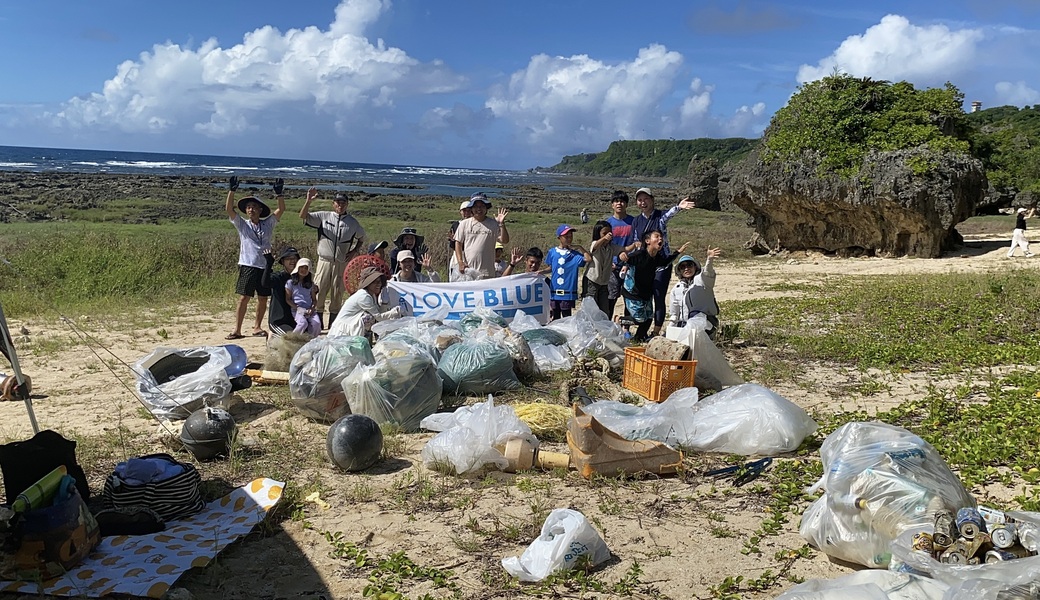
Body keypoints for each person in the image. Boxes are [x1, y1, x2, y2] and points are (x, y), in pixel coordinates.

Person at [630, 187, 697, 337]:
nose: (643, 202)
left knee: (658, 296)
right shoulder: (636, 221)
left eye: (646, 199)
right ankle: (638, 330)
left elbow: (668, 215)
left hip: (662, 264)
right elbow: (634, 242)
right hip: (645, 266)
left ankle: (655, 332)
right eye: (640, 200)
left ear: (652, 200)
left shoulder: (659, 216)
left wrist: (679, 207)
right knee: (643, 297)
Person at [225, 176, 286, 340]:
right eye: (248, 207)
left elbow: (281, 210)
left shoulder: (267, 224)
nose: (251, 210)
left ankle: (257, 327)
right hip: (248, 264)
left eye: (254, 207)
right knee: (244, 297)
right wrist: (232, 191)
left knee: (263, 298)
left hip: (265, 265)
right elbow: (229, 210)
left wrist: (279, 194)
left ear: (260, 210)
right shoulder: (242, 224)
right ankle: (237, 329)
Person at [300, 188, 366, 329]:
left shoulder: (353, 223)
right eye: (338, 202)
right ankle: (317, 323)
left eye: (343, 203)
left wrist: (355, 251)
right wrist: (308, 201)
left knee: (337, 293)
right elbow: (303, 216)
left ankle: (333, 324)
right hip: (324, 261)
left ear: (347, 204)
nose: (340, 205)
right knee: (318, 290)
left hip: (342, 263)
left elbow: (362, 238)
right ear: (333, 204)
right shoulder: (323, 216)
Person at [620, 230, 690, 342]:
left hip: (646, 292)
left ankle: (638, 338)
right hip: (633, 292)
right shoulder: (639, 255)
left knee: (648, 318)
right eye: (656, 237)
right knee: (639, 319)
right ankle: (621, 321)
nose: (660, 239)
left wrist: (677, 252)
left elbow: (665, 262)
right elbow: (627, 259)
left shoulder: (657, 257)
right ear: (647, 241)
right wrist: (623, 256)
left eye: (661, 237)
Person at [332, 267, 403, 339]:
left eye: (379, 281)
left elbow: (379, 312)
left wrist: (384, 304)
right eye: (375, 282)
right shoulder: (364, 296)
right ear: (368, 283)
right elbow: (378, 317)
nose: (378, 284)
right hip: (343, 329)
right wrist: (394, 312)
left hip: (350, 325)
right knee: (368, 318)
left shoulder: (371, 295)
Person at [584, 220, 636, 316]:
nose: (608, 235)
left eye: (609, 233)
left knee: (604, 309)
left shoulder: (611, 247)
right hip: (592, 281)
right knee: (591, 308)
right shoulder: (595, 244)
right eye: (604, 233)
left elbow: (625, 249)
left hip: (604, 282)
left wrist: (635, 245)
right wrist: (604, 239)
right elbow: (595, 247)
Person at [455, 192, 510, 279]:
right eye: (476, 206)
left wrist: (501, 224)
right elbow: (458, 243)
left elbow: (504, 240)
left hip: (487, 272)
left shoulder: (493, 224)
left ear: (486, 208)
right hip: (469, 271)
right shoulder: (464, 224)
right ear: (472, 208)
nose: (479, 209)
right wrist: (460, 262)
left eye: (482, 206)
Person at [546, 225, 592, 320]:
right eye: (566, 236)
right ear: (559, 238)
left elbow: (588, 259)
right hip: (554, 292)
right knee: (555, 317)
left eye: (571, 236)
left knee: (566, 317)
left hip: (567, 293)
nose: (569, 239)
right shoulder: (552, 252)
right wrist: (540, 272)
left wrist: (579, 247)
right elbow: (550, 268)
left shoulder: (574, 255)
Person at [670, 248, 721, 332]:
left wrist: (709, 259)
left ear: (695, 267)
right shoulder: (676, 289)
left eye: (689, 265)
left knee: (694, 315)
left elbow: (708, 273)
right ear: (679, 271)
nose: (686, 269)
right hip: (686, 324)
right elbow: (674, 314)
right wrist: (670, 329)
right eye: (683, 267)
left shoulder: (702, 280)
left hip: (706, 323)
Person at [605, 190, 636, 320]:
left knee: (629, 298)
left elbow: (637, 243)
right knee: (610, 298)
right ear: (612, 205)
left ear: (626, 204)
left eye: (622, 201)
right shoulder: (608, 223)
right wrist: (609, 262)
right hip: (612, 267)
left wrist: (629, 261)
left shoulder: (633, 222)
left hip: (630, 266)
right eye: (616, 201)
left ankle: (626, 327)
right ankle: (607, 325)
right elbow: (604, 246)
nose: (619, 204)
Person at [260, 246, 301, 338]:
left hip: (296, 319)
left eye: (294, 258)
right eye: (288, 258)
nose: (292, 261)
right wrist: (269, 264)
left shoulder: (301, 277)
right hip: (279, 321)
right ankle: (272, 336)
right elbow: (265, 283)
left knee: (307, 338)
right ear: (283, 261)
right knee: (292, 338)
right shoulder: (278, 277)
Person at [285, 258, 321, 337]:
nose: (303, 270)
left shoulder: (311, 285)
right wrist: (298, 308)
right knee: (302, 323)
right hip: (297, 309)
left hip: (309, 309)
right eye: (302, 267)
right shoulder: (290, 283)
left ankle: (311, 339)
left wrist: (312, 309)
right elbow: (288, 299)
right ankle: (292, 339)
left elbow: (314, 300)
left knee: (317, 323)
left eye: (306, 268)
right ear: (297, 268)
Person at [448, 200, 474, 282]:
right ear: (460, 212)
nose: (466, 213)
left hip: (472, 255)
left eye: (469, 210)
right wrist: (452, 240)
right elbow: (452, 245)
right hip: (458, 255)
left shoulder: (475, 224)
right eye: (464, 210)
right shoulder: (455, 225)